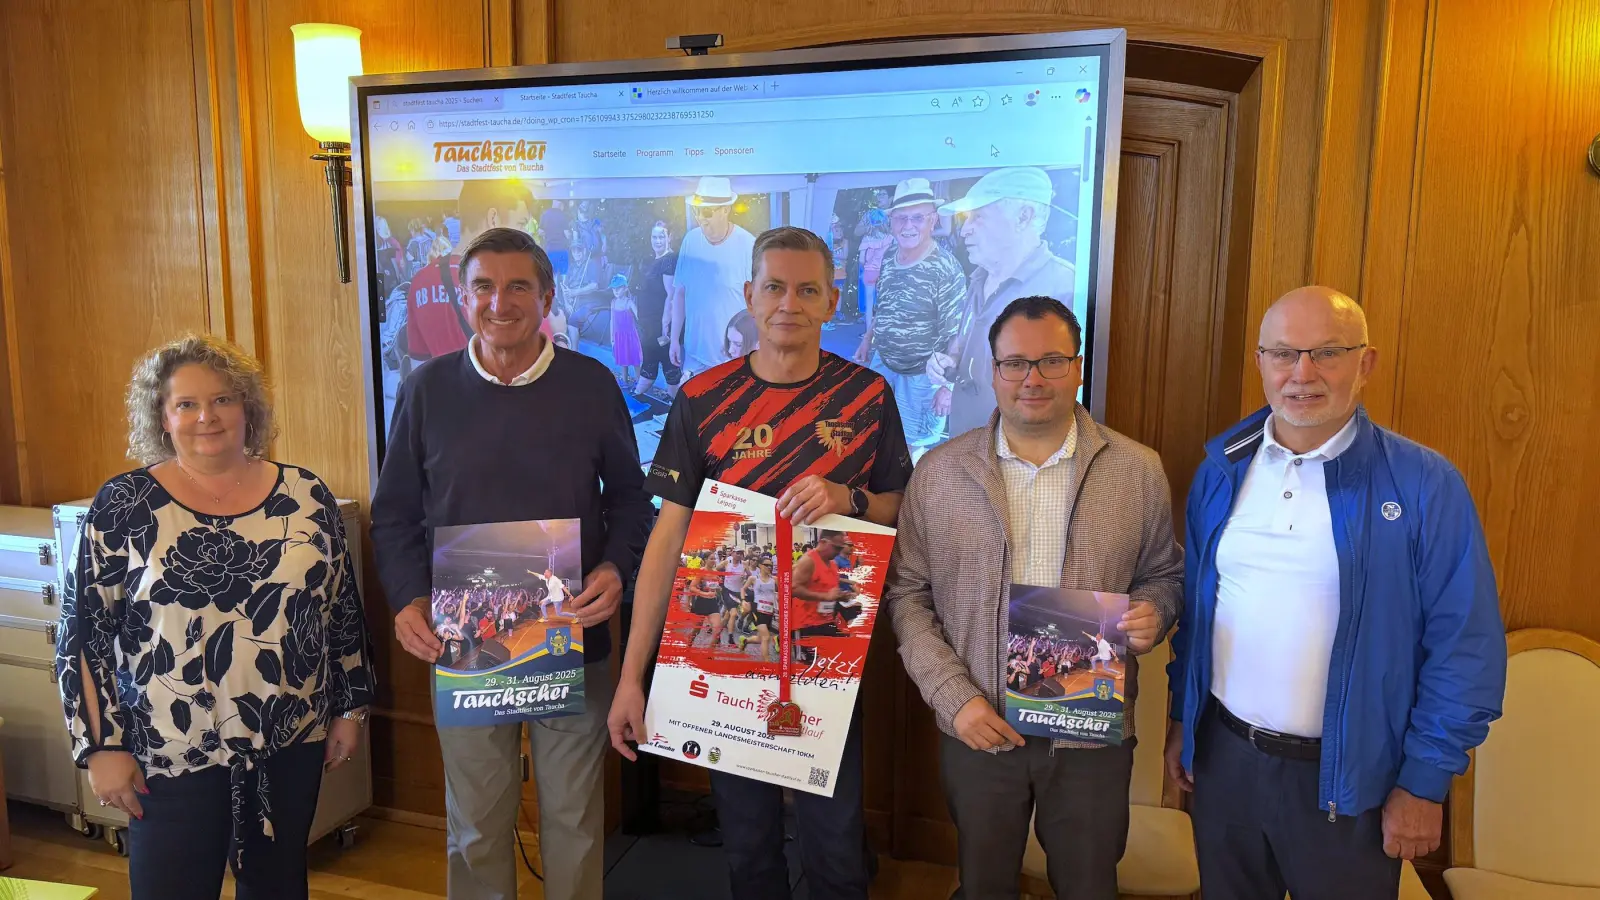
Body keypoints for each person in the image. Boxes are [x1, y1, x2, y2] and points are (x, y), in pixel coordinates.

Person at [1165, 286, 1507, 900]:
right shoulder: (1222, 468)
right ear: (1261, 362)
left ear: (1364, 363)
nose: (1302, 374)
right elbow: (1199, 614)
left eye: (1326, 353)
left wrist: (1424, 782)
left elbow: (1466, 648)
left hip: (1351, 782)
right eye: (1284, 353)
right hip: (1226, 764)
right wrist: (1180, 723)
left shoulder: (1425, 484)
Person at [611, 226, 914, 900]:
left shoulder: (867, 396)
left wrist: (848, 498)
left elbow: (899, 507)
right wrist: (634, 677)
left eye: (808, 290)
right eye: (774, 287)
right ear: (749, 294)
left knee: (836, 847)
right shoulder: (702, 398)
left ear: (832, 300)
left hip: (826, 648)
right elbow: (667, 542)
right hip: (728, 648)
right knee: (748, 848)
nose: (789, 304)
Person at [371, 226, 653, 900]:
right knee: (475, 826)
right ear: (464, 298)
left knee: (574, 821)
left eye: (519, 286)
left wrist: (615, 568)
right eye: (484, 288)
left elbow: (631, 499)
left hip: (571, 638)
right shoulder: (427, 389)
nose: (501, 303)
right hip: (464, 643)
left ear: (547, 298)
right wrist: (407, 598)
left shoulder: (591, 385)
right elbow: (394, 514)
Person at [56, 335, 374, 900]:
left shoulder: (306, 495)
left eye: (223, 399)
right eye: (187, 404)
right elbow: (84, 635)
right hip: (168, 752)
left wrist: (350, 708)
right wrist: (101, 746)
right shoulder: (124, 506)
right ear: (162, 417)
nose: (207, 417)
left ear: (248, 407)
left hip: (288, 742)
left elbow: (341, 611)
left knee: (278, 889)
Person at [888, 295, 1182, 899]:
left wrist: (1156, 612)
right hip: (980, 725)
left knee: (1089, 886)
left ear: (1077, 367)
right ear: (993, 370)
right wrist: (955, 700)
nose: (1033, 379)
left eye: (1051, 361)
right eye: (1015, 363)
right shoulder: (940, 472)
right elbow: (907, 595)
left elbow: (1164, 575)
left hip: (1089, 729)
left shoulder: (1136, 469)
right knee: (984, 886)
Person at [925, 167, 1076, 437]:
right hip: (967, 442)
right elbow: (966, 341)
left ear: (1023, 217)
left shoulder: (1066, 289)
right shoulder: (978, 279)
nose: (965, 230)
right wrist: (951, 360)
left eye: (978, 217)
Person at [854, 178, 966, 453]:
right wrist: (867, 339)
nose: (908, 226)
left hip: (921, 379)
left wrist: (949, 387)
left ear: (933, 220)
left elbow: (958, 334)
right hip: (884, 364)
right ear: (891, 222)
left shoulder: (945, 268)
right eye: (901, 218)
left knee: (910, 447)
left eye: (917, 218)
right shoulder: (890, 255)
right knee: (877, 432)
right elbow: (883, 306)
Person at [405, 180, 540, 368]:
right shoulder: (517, 288)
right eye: (521, 224)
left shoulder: (421, 281)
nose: (526, 235)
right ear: (493, 219)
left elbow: (417, 369)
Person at [673, 176, 757, 378]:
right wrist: (674, 339)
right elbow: (680, 292)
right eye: (696, 210)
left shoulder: (749, 245)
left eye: (707, 212)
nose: (700, 218)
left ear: (726, 210)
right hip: (694, 358)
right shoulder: (690, 241)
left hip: (732, 362)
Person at [633, 220, 682, 399]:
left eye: (661, 237)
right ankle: (638, 392)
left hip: (660, 323)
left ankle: (677, 402)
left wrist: (665, 323)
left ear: (669, 237)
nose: (658, 241)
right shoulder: (650, 259)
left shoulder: (669, 260)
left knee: (669, 364)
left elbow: (671, 295)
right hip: (648, 324)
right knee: (650, 358)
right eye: (654, 237)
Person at [853, 189, 893, 324]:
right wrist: (872, 226)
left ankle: (872, 328)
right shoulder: (869, 214)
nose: (879, 197)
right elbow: (856, 231)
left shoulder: (898, 213)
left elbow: (862, 259)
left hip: (873, 269)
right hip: (880, 269)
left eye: (883, 194)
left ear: (891, 198)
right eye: (878, 194)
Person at [608, 273, 643, 385]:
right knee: (623, 359)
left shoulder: (629, 302)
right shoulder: (613, 302)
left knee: (635, 360)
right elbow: (612, 320)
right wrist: (612, 337)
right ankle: (624, 380)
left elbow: (639, 316)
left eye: (618, 288)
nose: (616, 291)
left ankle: (639, 381)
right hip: (619, 336)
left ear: (625, 288)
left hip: (630, 335)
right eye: (613, 289)